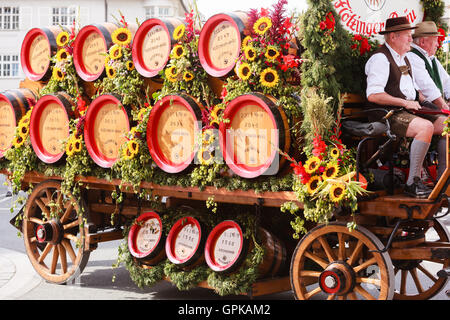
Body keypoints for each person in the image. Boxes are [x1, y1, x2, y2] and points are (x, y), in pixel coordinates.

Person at [365, 16, 446, 198]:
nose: (411, 39)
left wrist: (431, 105)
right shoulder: (380, 58)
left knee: (446, 124)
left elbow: (413, 91)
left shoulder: (403, 58)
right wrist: (404, 102)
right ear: (393, 37)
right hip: (386, 114)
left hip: (405, 110)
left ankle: (443, 179)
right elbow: (373, 95)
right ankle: (413, 182)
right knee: (425, 127)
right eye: (407, 35)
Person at [406, 21, 449, 181]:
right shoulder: (413, 57)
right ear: (423, 41)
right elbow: (428, 88)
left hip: (430, 108)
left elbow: (447, 83)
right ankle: (444, 179)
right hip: (419, 108)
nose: (438, 44)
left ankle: (444, 177)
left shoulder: (431, 59)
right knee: (448, 125)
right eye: (435, 40)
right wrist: (445, 107)